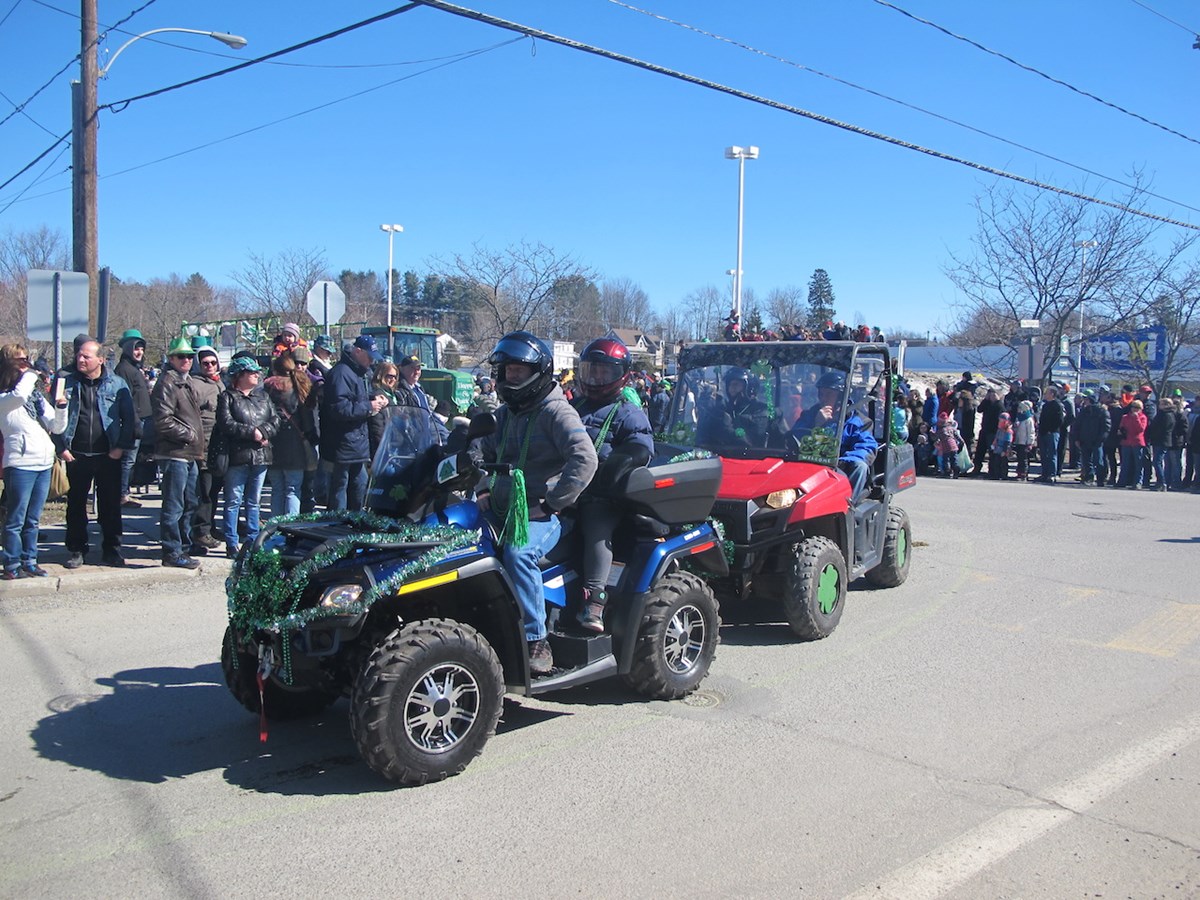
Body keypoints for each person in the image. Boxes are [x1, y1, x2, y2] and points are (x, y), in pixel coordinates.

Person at [475, 331, 598, 675]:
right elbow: (480, 455)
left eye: (518, 370)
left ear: (538, 372)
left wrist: (553, 505)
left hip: (540, 515)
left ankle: (535, 638)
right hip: (497, 508)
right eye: (507, 370)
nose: (510, 376)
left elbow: (585, 460)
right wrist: (483, 487)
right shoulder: (505, 413)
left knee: (518, 552)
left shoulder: (556, 412)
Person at [570, 338, 655, 633]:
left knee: (596, 530)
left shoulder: (627, 411)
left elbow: (642, 444)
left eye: (604, 373)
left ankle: (594, 600)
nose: (595, 378)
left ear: (621, 375)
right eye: (590, 371)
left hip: (602, 495)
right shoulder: (574, 406)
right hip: (563, 486)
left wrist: (620, 461)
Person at [56, 339, 136, 568]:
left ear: (100, 360)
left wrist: (120, 447)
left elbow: (129, 420)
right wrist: (61, 447)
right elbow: (54, 418)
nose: (80, 359)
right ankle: (76, 549)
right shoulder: (67, 382)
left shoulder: (116, 384)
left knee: (111, 505)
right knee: (76, 505)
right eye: (79, 355)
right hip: (76, 454)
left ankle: (112, 550)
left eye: (86, 356)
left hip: (108, 455)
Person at [0, 344, 67, 579]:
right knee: (15, 518)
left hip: (43, 463)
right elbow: (18, 396)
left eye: (27, 360)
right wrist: (30, 374)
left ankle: (30, 560)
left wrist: (61, 408)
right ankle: (11, 563)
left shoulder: (35, 396)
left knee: (33, 519)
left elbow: (56, 426)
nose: (26, 365)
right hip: (20, 463)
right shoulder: (5, 398)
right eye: (20, 361)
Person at [150, 336, 205, 569]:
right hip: (175, 452)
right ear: (171, 358)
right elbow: (163, 420)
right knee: (174, 505)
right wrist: (189, 434)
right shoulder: (167, 383)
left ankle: (184, 544)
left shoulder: (187, 381)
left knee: (189, 502)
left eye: (190, 356)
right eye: (181, 356)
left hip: (188, 453)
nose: (187, 360)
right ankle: (172, 551)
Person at [216, 357, 279, 557]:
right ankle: (232, 543)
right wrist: (251, 433)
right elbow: (226, 423)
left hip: (261, 456)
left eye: (257, 372)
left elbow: (275, 419)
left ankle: (253, 540)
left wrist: (264, 431)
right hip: (238, 456)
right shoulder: (228, 397)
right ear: (239, 375)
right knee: (233, 500)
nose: (256, 375)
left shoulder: (263, 397)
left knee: (254, 501)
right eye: (251, 372)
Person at [320, 335, 388, 511]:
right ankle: (336, 526)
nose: (372, 360)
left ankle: (354, 524)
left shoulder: (360, 373)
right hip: (342, 443)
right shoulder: (341, 373)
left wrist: (375, 398)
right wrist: (369, 406)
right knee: (340, 488)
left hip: (356, 444)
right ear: (358, 351)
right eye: (370, 356)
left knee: (359, 486)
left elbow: (356, 398)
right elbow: (338, 408)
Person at [789, 371, 879, 500]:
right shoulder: (809, 415)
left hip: (842, 466)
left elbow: (866, 448)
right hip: (810, 462)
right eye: (821, 394)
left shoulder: (859, 421)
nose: (823, 398)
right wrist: (817, 425)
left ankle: (848, 505)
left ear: (841, 396)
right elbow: (794, 438)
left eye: (829, 394)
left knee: (860, 466)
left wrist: (842, 461)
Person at [265, 354, 317, 517]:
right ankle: (290, 527)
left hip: (271, 444)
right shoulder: (299, 387)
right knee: (293, 489)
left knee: (277, 489)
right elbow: (307, 421)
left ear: (275, 369)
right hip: (295, 445)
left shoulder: (266, 388)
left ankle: (274, 528)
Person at [189, 344, 225, 554]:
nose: (210, 366)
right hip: (203, 445)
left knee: (214, 491)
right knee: (204, 492)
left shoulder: (220, 382)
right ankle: (199, 532)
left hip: (219, 447)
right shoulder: (194, 384)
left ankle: (210, 527)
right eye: (205, 363)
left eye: (213, 362)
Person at [113, 328, 152, 508]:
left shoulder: (135, 368)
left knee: (132, 460)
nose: (139, 352)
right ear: (128, 348)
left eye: (142, 349)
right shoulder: (123, 369)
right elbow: (125, 398)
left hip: (143, 420)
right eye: (136, 348)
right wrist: (134, 422)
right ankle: (121, 494)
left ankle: (124, 491)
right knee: (127, 461)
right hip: (132, 421)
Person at [698, 368, 769, 448]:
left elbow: (749, 444)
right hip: (720, 458)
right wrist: (707, 413)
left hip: (751, 458)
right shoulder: (724, 409)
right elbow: (704, 442)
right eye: (729, 385)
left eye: (735, 384)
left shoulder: (761, 413)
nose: (731, 388)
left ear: (750, 388)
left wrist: (727, 425)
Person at [1074, 390, 1110, 486]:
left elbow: (1106, 428)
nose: (1084, 401)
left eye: (1086, 399)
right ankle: (1089, 478)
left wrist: (1101, 440)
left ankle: (1100, 479)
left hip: (1097, 441)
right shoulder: (1084, 411)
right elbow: (1077, 425)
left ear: (1090, 400)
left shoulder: (1102, 411)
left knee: (1098, 461)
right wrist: (1077, 438)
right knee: (1086, 461)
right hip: (1084, 440)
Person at [366, 360, 400, 464]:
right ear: (381, 375)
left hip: (397, 446)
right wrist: (383, 449)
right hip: (385, 450)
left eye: (395, 376)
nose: (392, 379)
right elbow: (377, 427)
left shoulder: (395, 395)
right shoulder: (377, 396)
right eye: (389, 376)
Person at [1035, 386, 1065, 483]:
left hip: (1052, 433)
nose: (1045, 394)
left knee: (1052, 454)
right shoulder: (1045, 405)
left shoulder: (1057, 405)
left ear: (1052, 394)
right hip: (1043, 433)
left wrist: (1050, 430)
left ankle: (1052, 475)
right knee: (1043, 455)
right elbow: (1042, 419)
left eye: (1046, 393)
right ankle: (1044, 474)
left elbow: (1060, 421)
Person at [1117, 399, 1148, 489]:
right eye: (1133, 407)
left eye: (1137, 408)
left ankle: (1138, 482)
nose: (1135, 409)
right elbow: (1121, 428)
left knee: (1138, 464)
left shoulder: (1143, 417)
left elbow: (1140, 429)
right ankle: (1122, 481)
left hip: (1137, 442)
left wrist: (1136, 418)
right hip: (1126, 442)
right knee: (1125, 463)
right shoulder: (1125, 417)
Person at [1012, 400, 1036, 481]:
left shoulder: (1028, 420)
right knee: (1019, 458)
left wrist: (1030, 443)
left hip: (1025, 442)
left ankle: (1024, 474)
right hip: (1019, 441)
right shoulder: (1019, 418)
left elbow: (1031, 432)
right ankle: (1019, 473)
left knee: (1024, 459)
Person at [988, 412, 1013, 480]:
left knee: (1003, 463)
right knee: (996, 462)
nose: (1000, 422)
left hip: (1004, 449)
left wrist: (1005, 450)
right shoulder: (999, 430)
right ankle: (996, 474)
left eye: (1002, 421)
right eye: (1000, 420)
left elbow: (1008, 442)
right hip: (997, 448)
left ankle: (1004, 475)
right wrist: (993, 445)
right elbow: (996, 438)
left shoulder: (1008, 431)